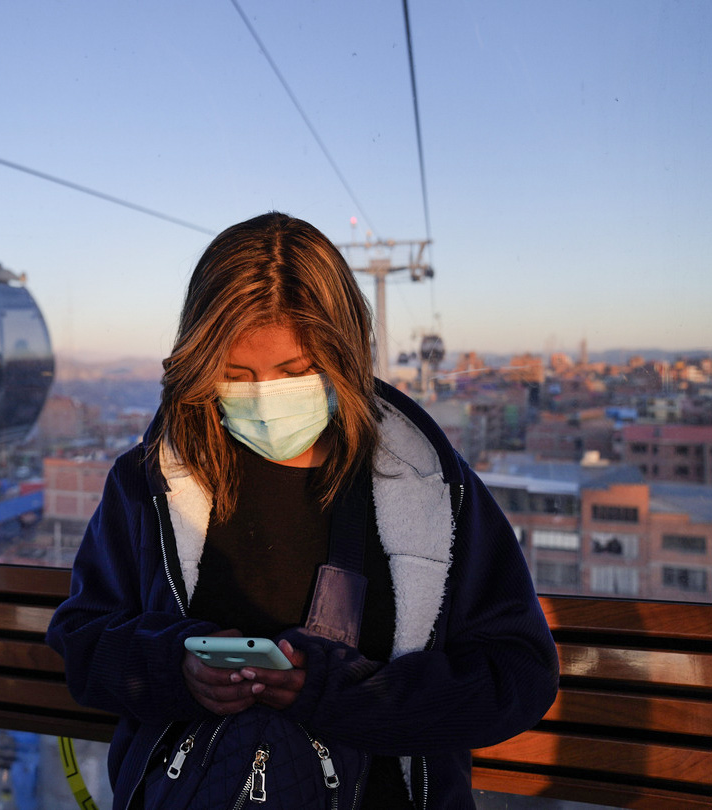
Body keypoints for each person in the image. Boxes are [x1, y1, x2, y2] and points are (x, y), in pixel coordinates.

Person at [46, 212, 559, 809]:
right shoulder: (150, 484)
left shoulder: (427, 489)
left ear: (344, 357)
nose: (264, 398)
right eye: (235, 375)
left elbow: (517, 673)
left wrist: (339, 693)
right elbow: (83, 639)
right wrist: (175, 670)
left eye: (295, 372)